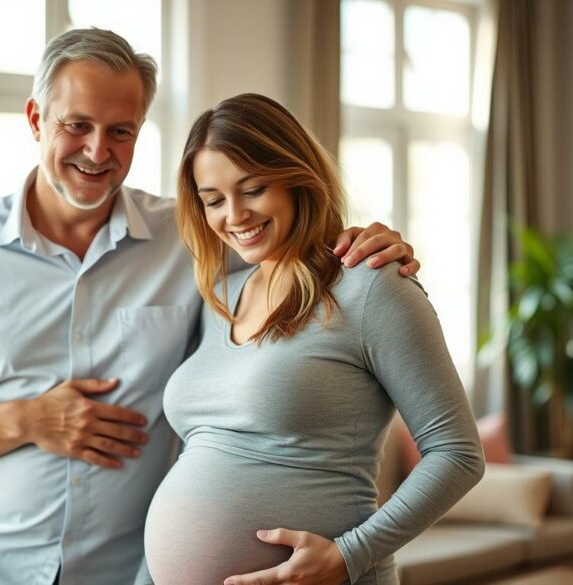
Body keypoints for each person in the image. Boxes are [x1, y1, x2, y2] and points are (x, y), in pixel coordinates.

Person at [0, 30, 420, 585]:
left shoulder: (192, 237)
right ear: (36, 119)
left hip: (126, 573)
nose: (97, 151)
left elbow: (291, 257)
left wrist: (365, 245)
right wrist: (29, 419)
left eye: (120, 131)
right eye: (76, 125)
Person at [143, 93, 485, 585]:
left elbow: (458, 453)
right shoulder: (222, 296)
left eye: (253, 189)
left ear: (296, 177)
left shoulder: (371, 287)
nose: (235, 215)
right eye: (214, 199)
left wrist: (348, 556)